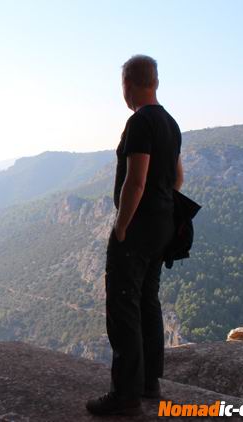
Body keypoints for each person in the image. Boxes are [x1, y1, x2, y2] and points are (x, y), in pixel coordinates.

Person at [86, 54, 183, 416]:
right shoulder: (170, 123)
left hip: (139, 228)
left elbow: (136, 180)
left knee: (123, 307)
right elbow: (178, 178)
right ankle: (149, 383)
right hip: (163, 225)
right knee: (147, 301)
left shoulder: (140, 122)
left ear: (128, 85)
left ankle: (125, 394)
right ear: (155, 82)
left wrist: (122, 225)